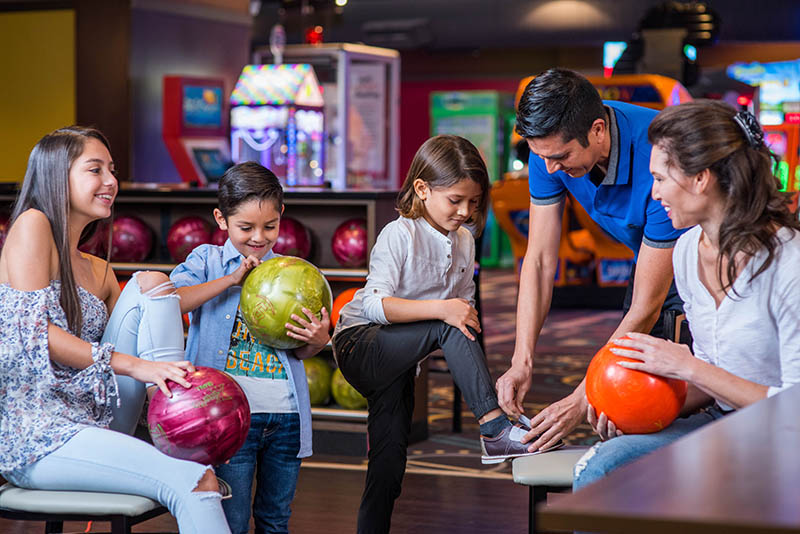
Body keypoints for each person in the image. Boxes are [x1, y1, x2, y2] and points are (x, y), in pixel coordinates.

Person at [0, 126, 232, 534]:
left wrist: (232, 280)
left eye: (112, 169)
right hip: (39, 436)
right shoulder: (32, 226)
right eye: (95, 170)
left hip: (96, 418)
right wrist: (138, 367)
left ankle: (177, 412)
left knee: (151, 281)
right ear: (58, 175)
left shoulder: (99, 270)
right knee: (195, 481)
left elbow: (164, 304)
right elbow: (36, 334)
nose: (111, 182)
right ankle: (179, 430)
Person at [332, 134, 557, 534]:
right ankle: (493, 430)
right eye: (455, 200)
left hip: (400, 357)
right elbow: (372, 305)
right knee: (448, 320)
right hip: (359, 343)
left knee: (388, 465)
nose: (466, 211)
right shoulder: (398, 234)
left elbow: (463, 313)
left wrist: (458, 326)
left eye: (473, 202)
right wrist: (444, 311)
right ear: (422, 189)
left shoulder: (465, 241)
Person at [573, 100, 800, 489]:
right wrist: (632, 410)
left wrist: (687, 367)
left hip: (784, 436)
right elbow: (712, 374)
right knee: (601, 469)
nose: (655, 193)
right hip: (723, 421)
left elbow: (792, 408)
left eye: (661, 179)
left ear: (701, 179)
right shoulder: (686, 250)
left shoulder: (788, 262)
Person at [496, 68, 686, 452]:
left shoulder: (660, 157)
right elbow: (539, 260)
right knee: (622, 396)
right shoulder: (548, 152)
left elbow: (646, 307)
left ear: (598, 130)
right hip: (646, 255)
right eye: (541, 157)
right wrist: (522, 360)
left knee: (674, 403)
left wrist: (583, 396)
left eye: (561, 156)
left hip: (704, 266)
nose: (550, 168)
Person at [170, 161, 330, 534]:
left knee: (276, 521)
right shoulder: (206, 261)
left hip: (286, 418)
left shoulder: (294, 273)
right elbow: (172, 300)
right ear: (221, 219)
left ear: (281, 217)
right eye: (246, 227)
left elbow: (299, 350)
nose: (259, 237)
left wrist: (319, 341)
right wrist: (231, 279)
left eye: (269, 226)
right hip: (229, 420)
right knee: (233, 520)